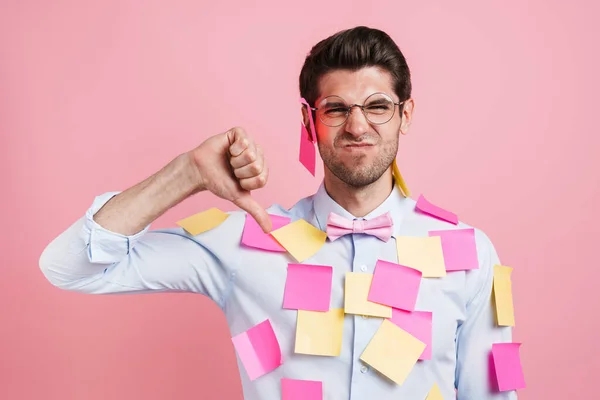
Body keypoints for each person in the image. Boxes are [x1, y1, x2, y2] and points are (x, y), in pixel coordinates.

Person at [39, 26, 516, 399]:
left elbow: (494, 395)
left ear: (405, 115)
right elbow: (68, 267)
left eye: (377, 106)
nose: (357, 125)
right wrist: (188, 173)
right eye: (335, 108)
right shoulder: (246, 243)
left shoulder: (471, 253)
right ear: (309, 120)